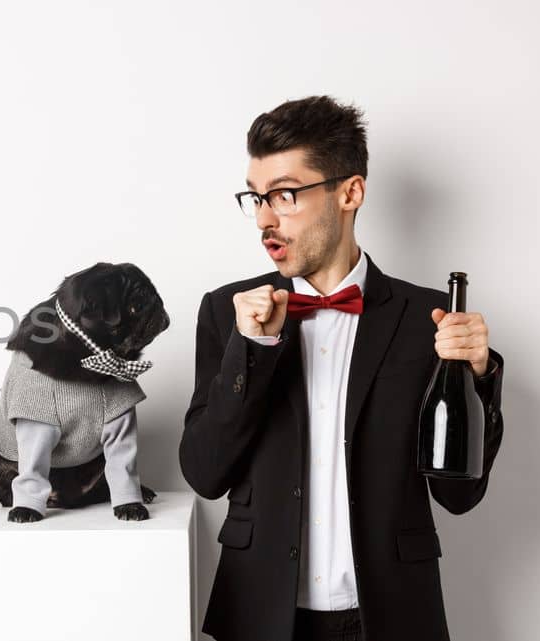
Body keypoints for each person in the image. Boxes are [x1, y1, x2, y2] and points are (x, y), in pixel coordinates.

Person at [179, 96, 506, 641]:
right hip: (259, 614)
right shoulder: (226, 311)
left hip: (393, 617)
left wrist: (478, 378)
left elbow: (459, 495)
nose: (264, 219)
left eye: (285, 195)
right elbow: (205, 474)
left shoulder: (427, 318)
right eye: (256, 198)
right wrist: (251, 348)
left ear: (350, 192)